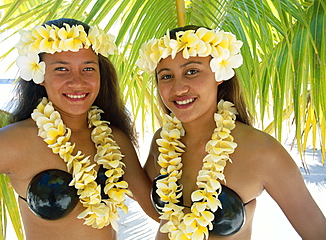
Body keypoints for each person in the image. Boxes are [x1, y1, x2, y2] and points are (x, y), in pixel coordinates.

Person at [0, 18, 157, 240]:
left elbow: (157, 210)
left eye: (88, 68)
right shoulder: (14, 141)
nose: (77, 81)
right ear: (40, 76)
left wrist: (168, 144)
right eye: (61, 69)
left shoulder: (113, 139)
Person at [137, 25, 326, 239]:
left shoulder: (262, 152)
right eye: (166, 76)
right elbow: (150, 204)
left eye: (192, 72)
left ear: (220, 73)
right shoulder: (163, 141)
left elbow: (317, 232)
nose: (178, 88)